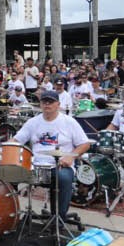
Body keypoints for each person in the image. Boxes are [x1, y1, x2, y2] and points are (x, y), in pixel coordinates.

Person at [12, 89, 91, 224]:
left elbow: (85, 144)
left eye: (51, 102)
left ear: (58, 104)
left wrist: (71, 157)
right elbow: (16, 141)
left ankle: (58, 218)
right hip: (36, 167)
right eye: (44, 102)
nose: (47, 104)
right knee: (9, 174)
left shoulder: (69, 122)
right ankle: (10, 215)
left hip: (60, 165)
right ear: (40, 104)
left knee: (63, 178)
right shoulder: (33, 122)